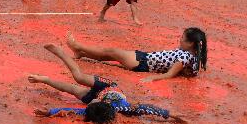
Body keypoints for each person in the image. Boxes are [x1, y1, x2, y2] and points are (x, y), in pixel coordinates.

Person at [27, 44, 181, 124]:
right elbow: (149, 109)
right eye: (93, 102)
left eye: (90, 104)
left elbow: (70, 110)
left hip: (102, 97)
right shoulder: (124, 108)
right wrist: (171, 114)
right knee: (78, 77)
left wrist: (49, 112)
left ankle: (45, 79)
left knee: (73, 90)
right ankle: (61, 53)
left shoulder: (91, 110)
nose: (90, 102)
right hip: (108, 87)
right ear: (100, 103)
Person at [66, 27, 207, 82]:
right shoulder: (193, 56)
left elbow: (171, 73)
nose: (180, 39)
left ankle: (77, 46)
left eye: (182, 38)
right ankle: (81, 53)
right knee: (110, 56)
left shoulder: (184, 57)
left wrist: (151, 79)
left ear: (190, 44)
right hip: (144, 58)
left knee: (110, 51)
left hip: (142, 62)